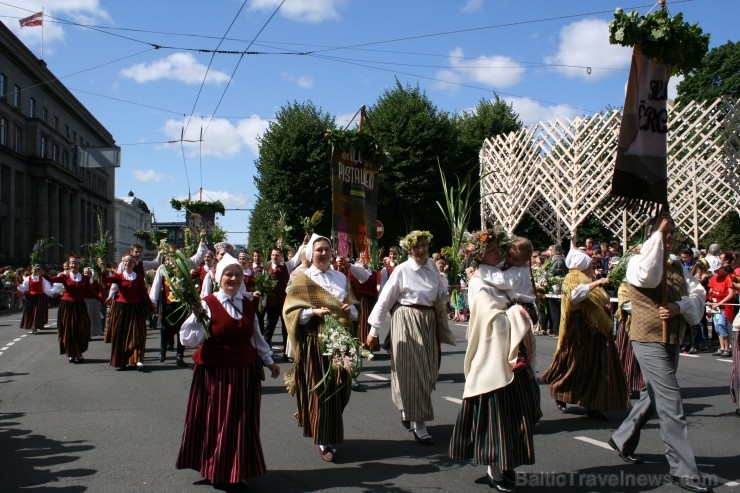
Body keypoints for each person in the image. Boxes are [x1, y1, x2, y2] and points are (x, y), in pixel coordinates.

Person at [609, 212, 712, 493]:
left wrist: (680, 307)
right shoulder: (637, 261)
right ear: (651, 235)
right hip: (647, 337)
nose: (669, 237)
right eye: (664, 233)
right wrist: (657, 234)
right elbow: (648, 277)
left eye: (671, 233)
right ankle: (683, 470)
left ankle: (622, 437)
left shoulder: (679, 266)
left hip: (672, 337)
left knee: (654, 395)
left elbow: (698, 294)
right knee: (671, 401)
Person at [449, 229, 541, 493]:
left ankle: (509, 463)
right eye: (492, 250)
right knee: (498, 415)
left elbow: (518, 297)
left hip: (513, 352)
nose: (499, 253)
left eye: (497, 248)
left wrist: (527, 309)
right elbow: (490, 320)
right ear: (479, 255)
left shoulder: (501, 275)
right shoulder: (479, 282)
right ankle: (495, 470)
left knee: (522, 409)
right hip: (493, 357)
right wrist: (518, 313)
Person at [177, 253, 279, 487]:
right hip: (215, 373)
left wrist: (269, 360)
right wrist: (197, 317)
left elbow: (256, 335)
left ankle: (234, 470)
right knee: (215, 421)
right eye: (228, 274)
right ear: (218, 277)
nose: (233, 278)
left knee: (240, 423)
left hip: (244, 371)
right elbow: (187, 340)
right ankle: (214, 468)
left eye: (237, 274)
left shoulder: (246, 303)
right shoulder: (208, 303)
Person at [367, 230, 453, 446]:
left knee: (429, 371)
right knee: (410, 371)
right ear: (409, 248)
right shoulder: (402, 270)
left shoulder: (432, 267)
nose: (422, 250)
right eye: (417, 247)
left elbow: (440, 294)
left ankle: (408, 409)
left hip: (428, 320)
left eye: (424, 245)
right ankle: (420, 424)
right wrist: (373, 330)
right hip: (406, 319)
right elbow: (385, 300)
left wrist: (446, 291)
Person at [282, 234, 359, 462]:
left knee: (341, 389)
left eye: (326, 249)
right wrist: (311, 312)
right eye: (319, 250)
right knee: (322, 390)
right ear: (310, 254)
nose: (323, 253)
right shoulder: (302, 278)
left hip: (341, 339)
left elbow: (354, 309)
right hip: (316, 340)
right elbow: (291, 311)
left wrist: (349, 310)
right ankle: (324, 440)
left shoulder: (341, 278)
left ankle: (329, 429)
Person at [540, 238, 630, 419]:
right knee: (577, 365)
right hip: (581, 330)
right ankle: (560, 389)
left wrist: (605, 306)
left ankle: (593, 403)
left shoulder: (588, 278)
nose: (592, 266)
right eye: (589, 264)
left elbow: (597, 299)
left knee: (598, 368)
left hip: (597, 331)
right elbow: (575, 297)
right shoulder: (572, 278)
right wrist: (596, 284)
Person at [99, 255, 155, 371]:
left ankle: (137, 359)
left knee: (137, 333)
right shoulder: (118, 276)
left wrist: (151, 307)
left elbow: (143, 294)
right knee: (121, 334)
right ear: (122, 263)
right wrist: (102, 268)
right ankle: (121, 360)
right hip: (121, 308)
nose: (128, 263)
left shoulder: (139, 278)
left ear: (134, 264)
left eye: (130, 261)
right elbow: (105, 280)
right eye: (125, 261)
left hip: (135, 308)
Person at [45, 256, 92, 363]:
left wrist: (101, 299)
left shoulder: (84, 278)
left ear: (79, 265)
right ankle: (71, 353)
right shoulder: (64, 276)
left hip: (79, 306)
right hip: (66, 306)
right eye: (72, 264)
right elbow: (51, 279)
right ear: (69, 265)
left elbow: (90, 291)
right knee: (68, 329)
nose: (73, 266)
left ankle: (79, 352)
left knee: (80, 329)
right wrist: (42, 273)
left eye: (75, 264)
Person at [707, 265, 736, 357]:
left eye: (717, 269)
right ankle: (722, 347)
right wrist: (709, 300)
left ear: (722, 268)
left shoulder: (729, 278)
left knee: (722, 325)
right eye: (714, 270)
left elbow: (731, 294)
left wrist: (720, 303)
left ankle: (727, 348)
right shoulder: (714, 278)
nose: (715, 271)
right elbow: (710, 291)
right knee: (717, 327)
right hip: (715, 307)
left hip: (724, 306)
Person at [18, 264, 55, 334]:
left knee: (37, 312)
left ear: (40, 271)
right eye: (35, 269)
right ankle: (31, 325)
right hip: (30, 297)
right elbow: (24, 288)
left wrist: (52, 293)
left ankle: (35, 327)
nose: (36, 271)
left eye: (38, 269)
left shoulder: (43, 279)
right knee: (30, 311)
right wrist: (18, 285)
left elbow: (47, 289)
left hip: (40, 297)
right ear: (32, 270)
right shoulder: (28, 278)